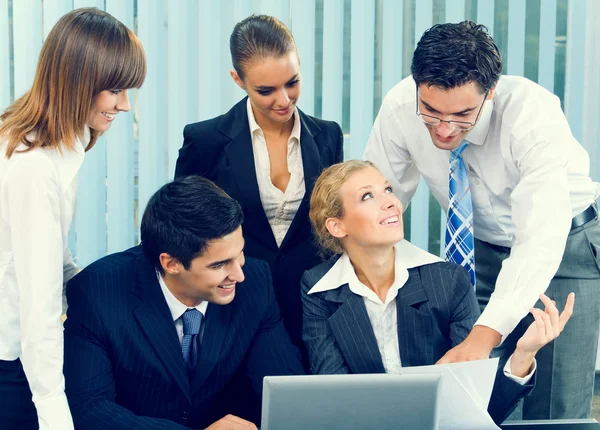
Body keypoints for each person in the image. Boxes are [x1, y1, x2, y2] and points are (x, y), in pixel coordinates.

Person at [363, 21, 599, 419]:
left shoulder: (531, 115)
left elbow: (540, 237)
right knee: (474, 395)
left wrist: (484, 336)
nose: (443, 129)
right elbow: (377, 201)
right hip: (478, 249)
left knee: (553, 407)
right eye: (432, 111)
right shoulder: (400, 107)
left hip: (565, 245)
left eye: (461, 115)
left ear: (489, 92)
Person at [302, 160, 574, 425]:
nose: (390, 202)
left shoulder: (448, 281)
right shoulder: (319, 290)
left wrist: (523, 355)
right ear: (337, 226)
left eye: (387, 189)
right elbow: (335, 400)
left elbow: (478, 409)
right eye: (367, 196)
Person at [0, 8, 146, 429]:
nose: (124, 105)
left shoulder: (67, 143)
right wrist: (54, 412)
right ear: (78, 81)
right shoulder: (35, 166)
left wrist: (97, 292)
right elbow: (39, 303)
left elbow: (52, 255)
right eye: (115, 90)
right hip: (14, 363)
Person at [63, 176, 304, 429]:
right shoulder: (98, 292)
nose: (239, 274)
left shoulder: (255, 282)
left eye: (240, 253)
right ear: (171, 263)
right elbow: (90, 409)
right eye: (220, 264)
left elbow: (283, 389)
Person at [174, 14, 344, 361]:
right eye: (266, 90)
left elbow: (334, 225)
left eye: (292, 82)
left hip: (311, 305)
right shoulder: (205, 141)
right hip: (233, 305)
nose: (283, 100)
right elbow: (181, 231)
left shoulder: (328, 136)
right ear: (238, 79)